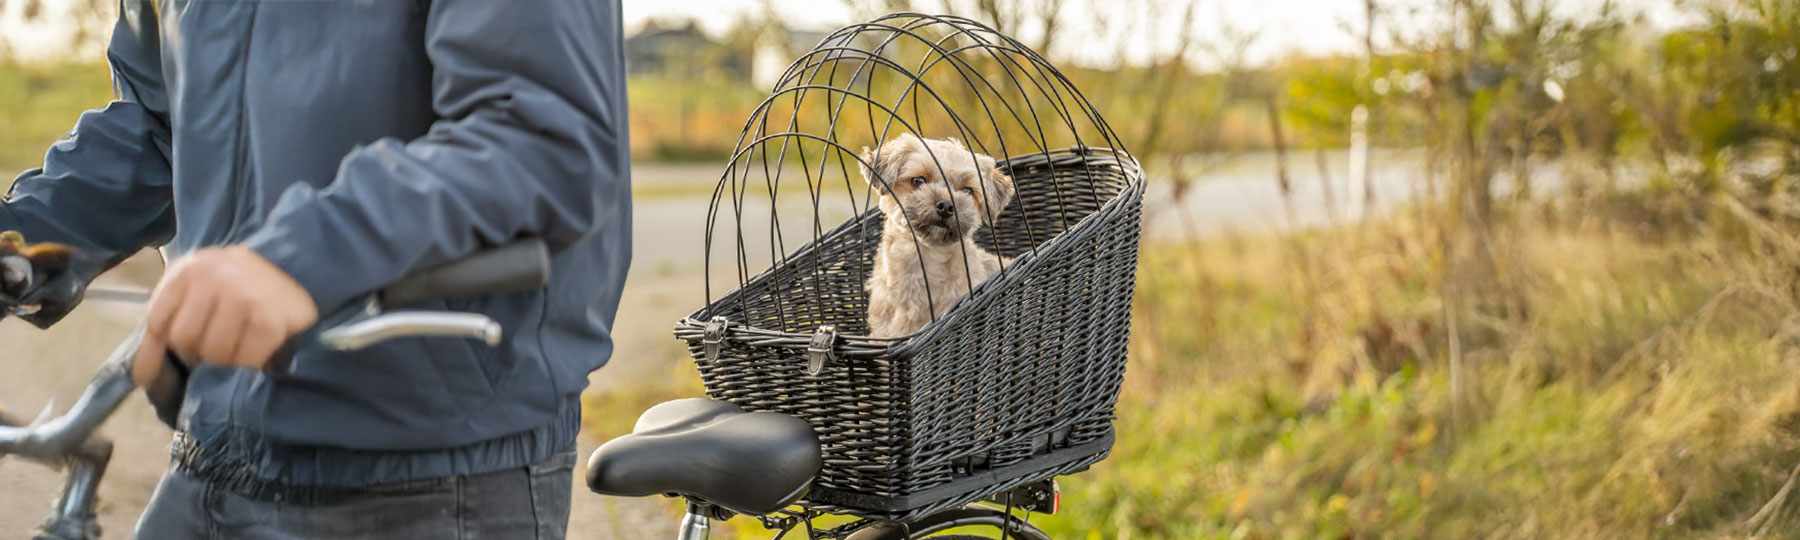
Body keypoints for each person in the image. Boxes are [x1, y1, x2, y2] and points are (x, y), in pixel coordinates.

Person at [0, 0, 631, 538]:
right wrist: (23, 236)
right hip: (216, 439)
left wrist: (299, 261)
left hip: (430, 462)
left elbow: (541, 138)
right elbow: (158, 125)